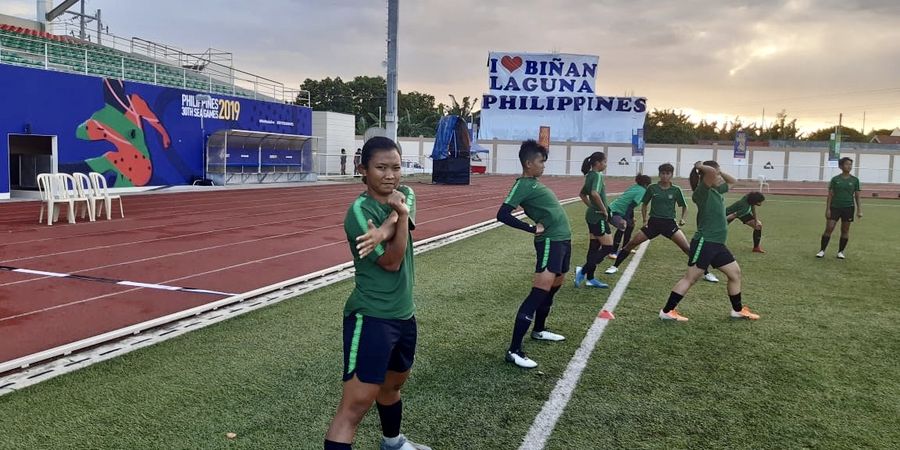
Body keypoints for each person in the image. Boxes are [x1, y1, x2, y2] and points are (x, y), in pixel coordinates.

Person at [325, 137, 431, 450]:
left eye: (396, 167)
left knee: (393, 385)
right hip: (371, 317)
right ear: (363, 169)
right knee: (355, 406)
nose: (390, 175)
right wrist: (395, 220)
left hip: (403, 314)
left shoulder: (407, 193)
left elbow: (401, 212)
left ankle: (393, 443)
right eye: (381, 167)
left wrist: (385, 228)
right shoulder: (357, 213)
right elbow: (392, 260)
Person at [496, 140, 572, 369]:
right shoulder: (523, 185)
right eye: (541, 162)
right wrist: (530, 228)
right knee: (538, 293)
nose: (543, 166)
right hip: (550, 241)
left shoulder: (534, 183)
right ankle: (514, 350)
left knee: (555, 286)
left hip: (562, 240)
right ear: (528, 163)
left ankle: (539, 330)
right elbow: (503, 214)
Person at [658, 160, 760, 322]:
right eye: (716, 174)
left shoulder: (717, 190)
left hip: (718, 244)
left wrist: (718, 172)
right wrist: (700, 167)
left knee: (735, 273)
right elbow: (711, 173)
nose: (719, 177)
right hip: (705, 242)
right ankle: (667, 311)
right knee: (690, 278)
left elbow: (734, 182)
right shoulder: (701, 192)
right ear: (706, 176)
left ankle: (737, 310)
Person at [604, 163, 719, 283]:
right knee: (631, 243)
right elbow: (644, 204)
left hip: (669, 224)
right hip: (653, 223)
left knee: (687, 249)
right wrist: (644, 220)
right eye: (663, 173)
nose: (665, 176)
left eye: (667, 173)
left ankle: (706, 272)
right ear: (659, 174)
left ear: (671, 175)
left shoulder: (676, 190)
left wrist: (683, 218)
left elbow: (684, 206)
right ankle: (614, 266)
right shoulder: (652, 188)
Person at [573, 152, 613, 289]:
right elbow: (594, 193)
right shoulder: (597, 175)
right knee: (608, 247)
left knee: (594, 247)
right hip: (597, 217)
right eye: (605, 162)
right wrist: (604, 210)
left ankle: (590, 279)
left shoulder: (589, 175)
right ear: (598, 163)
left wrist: (591, 207)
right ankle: (583, 271)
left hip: (592, 215)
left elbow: (582, 194)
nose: (606, 165)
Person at [817, 157, 862, 259]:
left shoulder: (855, 180)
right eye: (846, 164)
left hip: (848, 208)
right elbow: (830, 195)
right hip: (835, 207)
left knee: (845, 230)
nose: (849, 166)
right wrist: (827, 209)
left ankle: (840, 252)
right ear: (841, 166)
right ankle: (822, 250)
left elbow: (858, 196)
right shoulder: (835, 179)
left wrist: (859, 210)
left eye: (850, 164)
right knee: (829, 228)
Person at [607, 174, 652, 260]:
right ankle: (613, 252)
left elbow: (630, 205)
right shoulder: (642, 191)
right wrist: (625, 219)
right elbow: (630, 206)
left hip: (620, 211)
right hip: (614, 211)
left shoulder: (635, 186)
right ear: (646, 184)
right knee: (623, 225)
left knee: (631, 225)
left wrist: (631, 218)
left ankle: (625, 248)